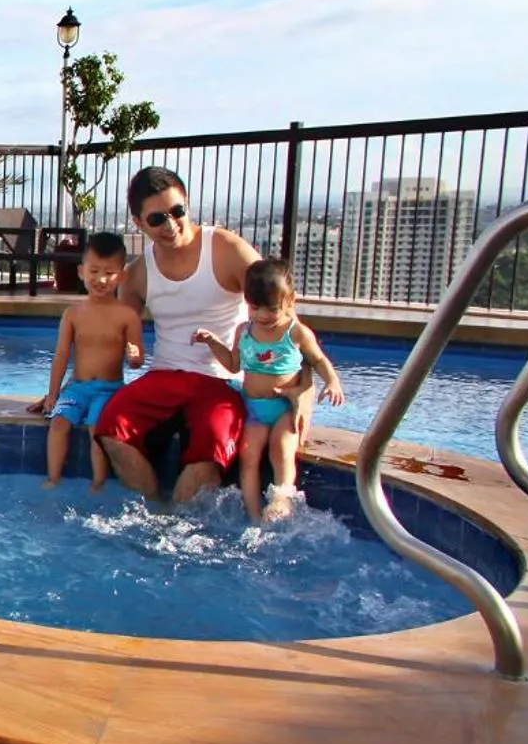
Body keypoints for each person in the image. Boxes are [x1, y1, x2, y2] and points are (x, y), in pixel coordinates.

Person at [93, 166, 313, 504]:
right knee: (111, 426)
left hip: (221, 381)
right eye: (156, 219)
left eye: (177, 211)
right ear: (138, 223)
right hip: (165, 376)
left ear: (187, 204)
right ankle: (153, 513)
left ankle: (178, 531)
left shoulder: (225, 249)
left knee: (210, 449)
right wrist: (73, 389)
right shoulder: (139, 274)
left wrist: (304, 392)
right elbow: (113, 337)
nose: (170, 225)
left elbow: (288, 323)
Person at [193, 259, 345, 522]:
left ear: (290, 301)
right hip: (254, 408)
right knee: (248, 454)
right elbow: (233, 364)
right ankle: (253, 515)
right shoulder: (245, 331)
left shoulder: (296, 333)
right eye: (255, 307)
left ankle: (281, 499)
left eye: (271, 309)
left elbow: (319, 360)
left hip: (284, 408)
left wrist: (332, 381)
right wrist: (212, 342)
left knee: (281, 448)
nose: (262, 315)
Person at [26, 231, 143, 490]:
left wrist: (135, 358)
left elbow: (137, 360)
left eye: (109, 273)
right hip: (77, 387)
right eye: (94, 271)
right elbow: (61, 356)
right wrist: (52, 394)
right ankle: (53, 478)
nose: (101, 279)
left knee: (94, 427)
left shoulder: (127, 316)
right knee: (58, 423)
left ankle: (98, 482)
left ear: (121, 276)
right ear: (81, 272)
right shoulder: (73, 314)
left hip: (109, 388)